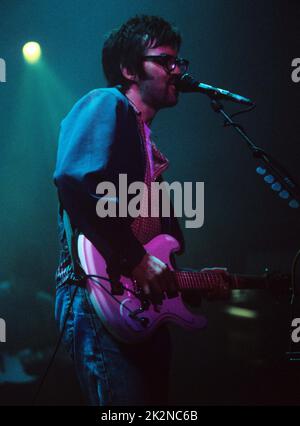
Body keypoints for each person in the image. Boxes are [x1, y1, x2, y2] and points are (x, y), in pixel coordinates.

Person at [53, 15, 190, 406]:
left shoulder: (147, 144)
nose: (177, 70)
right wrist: (135, 259)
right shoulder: (104, 102)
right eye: (165, 61)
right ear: (129, 69)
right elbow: (74, 180)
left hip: (138, 304)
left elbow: (161, 242)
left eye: (180, 61)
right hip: (96, 291)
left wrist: (181, 284)